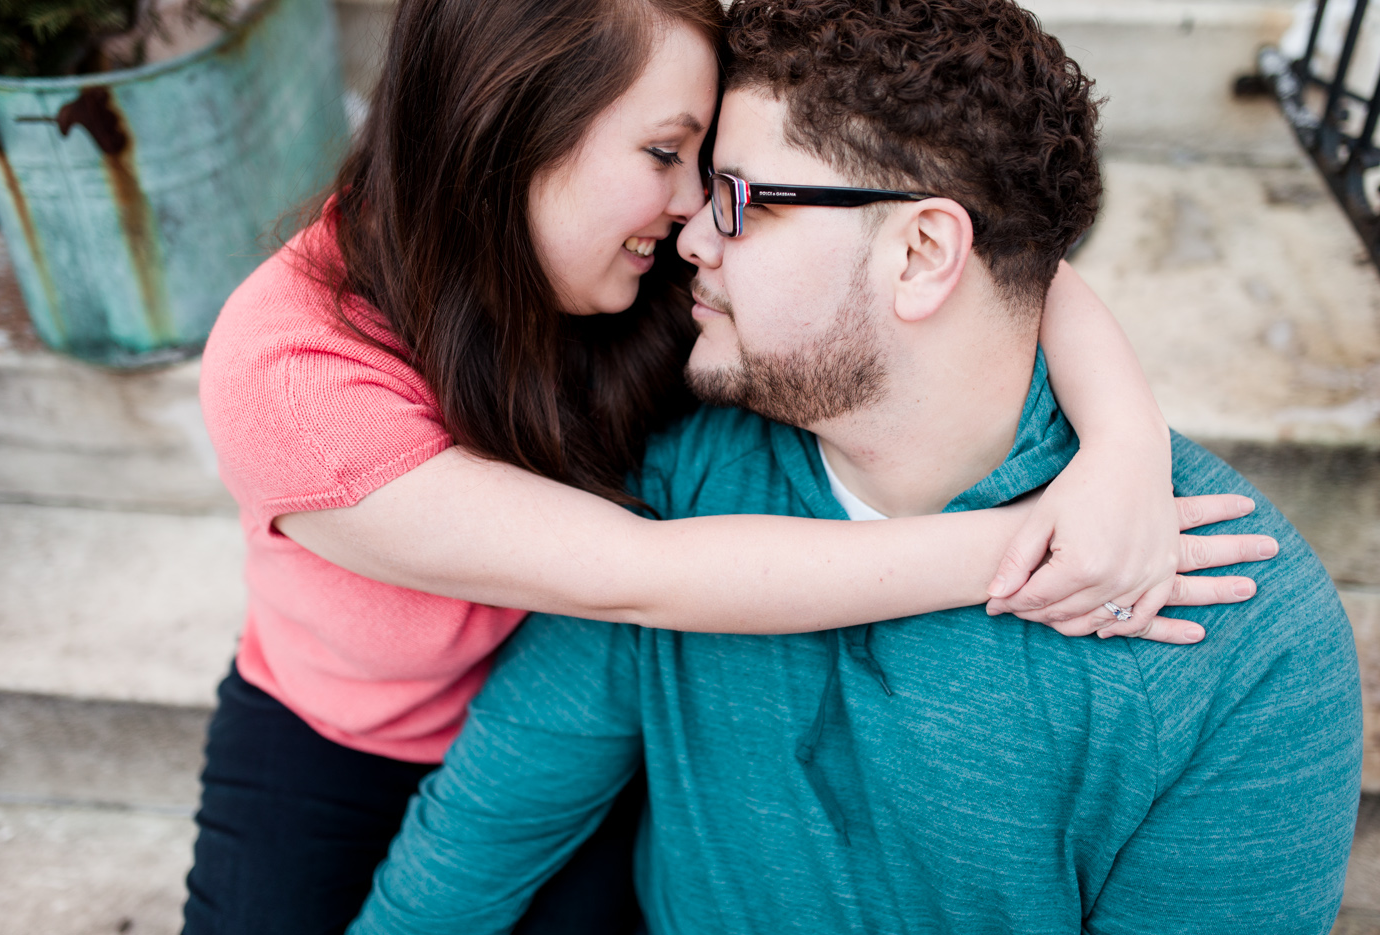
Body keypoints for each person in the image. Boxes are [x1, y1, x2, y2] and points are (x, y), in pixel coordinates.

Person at [188, 0, 1276, 932]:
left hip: (590, 716)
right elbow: (635, 573)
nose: (694, 214)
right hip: (339, 739)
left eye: (712, 172)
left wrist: (1124, 444)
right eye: (666, 157)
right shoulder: (290, 374)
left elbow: (983, 236)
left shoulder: (634, 263)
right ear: (505, 133)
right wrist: (1035, 544)